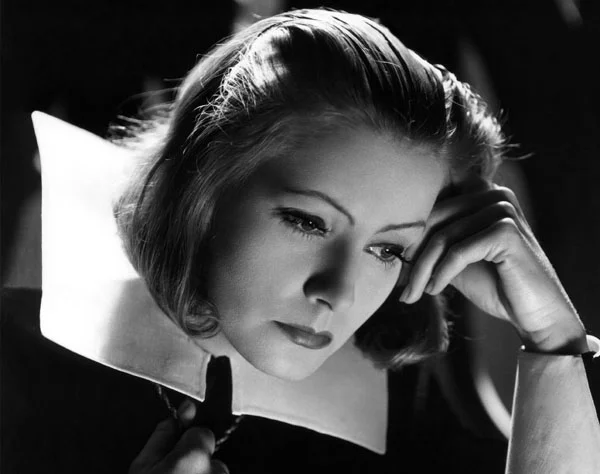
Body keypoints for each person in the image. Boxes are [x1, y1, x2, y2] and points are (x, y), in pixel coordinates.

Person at [31, 7, 600, 474]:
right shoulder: (28, 386)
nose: (338, 292)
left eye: (387, 249)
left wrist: (555, 340)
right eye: (307, 222)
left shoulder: (417, 414)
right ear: (205, 184)